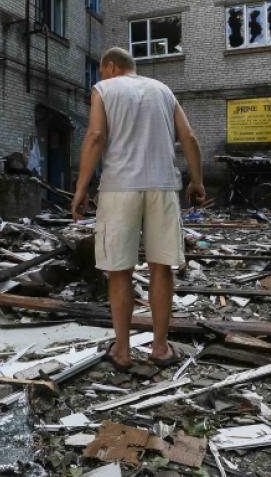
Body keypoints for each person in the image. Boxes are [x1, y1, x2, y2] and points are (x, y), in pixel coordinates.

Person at [72, 47, 205, 371]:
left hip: (119, 188)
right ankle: (160, 349)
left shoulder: (104, 89)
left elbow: (95, 136)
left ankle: (122, 351)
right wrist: (197, 180)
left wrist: (81, 187)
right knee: (162, 267)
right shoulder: (163, 90)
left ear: (111, 66)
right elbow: (188, 136)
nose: (102, 76)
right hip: (163, 185)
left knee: (119, 270)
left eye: (103, 71)